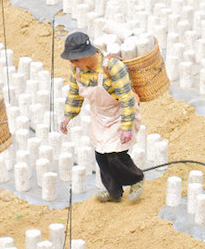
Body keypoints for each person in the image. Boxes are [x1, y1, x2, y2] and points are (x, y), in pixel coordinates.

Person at [59, 31, 145, 203]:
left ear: (88, 54)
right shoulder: (77, 69)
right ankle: (114, 192)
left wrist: (127, 125)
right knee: (101, 155)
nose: (73, 63)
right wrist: (68, 116)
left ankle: (136, 180)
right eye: (71, 60)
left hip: (119, 112)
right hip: (99, 114)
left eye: (76, 59)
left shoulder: (111, 66)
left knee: (116, 154)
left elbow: (127, 99)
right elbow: (75, 93)